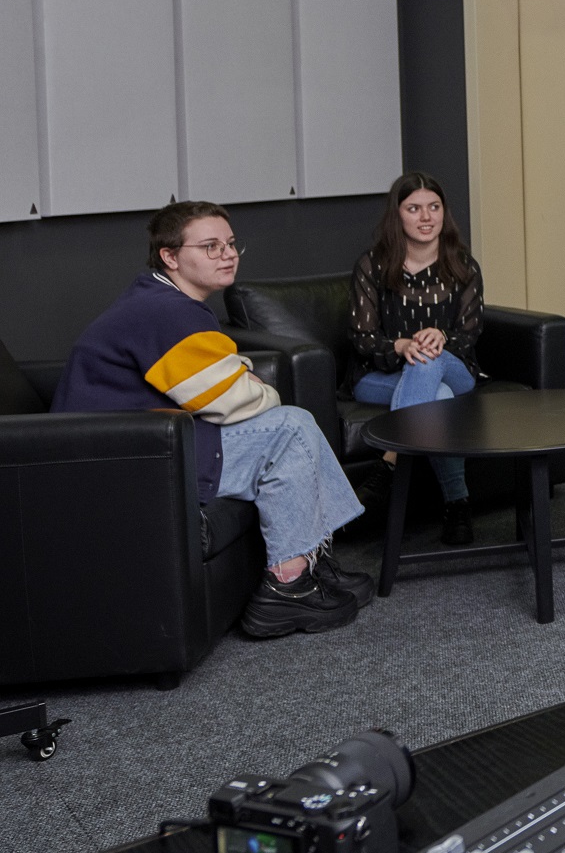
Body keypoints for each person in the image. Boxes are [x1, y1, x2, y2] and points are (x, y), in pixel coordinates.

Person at [53, 201, 371, 637]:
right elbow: (229, 400)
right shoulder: (166, 311)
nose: (228, 254)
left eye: (231, 244)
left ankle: (311, 557)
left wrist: (241, 377)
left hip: (148, 443)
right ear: (170, 256)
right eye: (210, 246)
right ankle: (287, 587)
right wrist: (263, 389)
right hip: (130, 460)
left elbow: (216, 381)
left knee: (292, 425)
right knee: (291, 428)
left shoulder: (162, 299)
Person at [350, 173, 485, 544]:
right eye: (414, 209)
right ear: (397, 215)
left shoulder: (463, 265)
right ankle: (458, 505)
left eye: (434, 207)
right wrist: (400, 346)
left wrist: (441, 336)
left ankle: (389, 461)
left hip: (455, 368)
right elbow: (362, 339)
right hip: (380, 374)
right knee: (439, 398)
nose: (426, 217)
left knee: (430, 358)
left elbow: (470, 333)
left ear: (444, 212)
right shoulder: (372, 266)